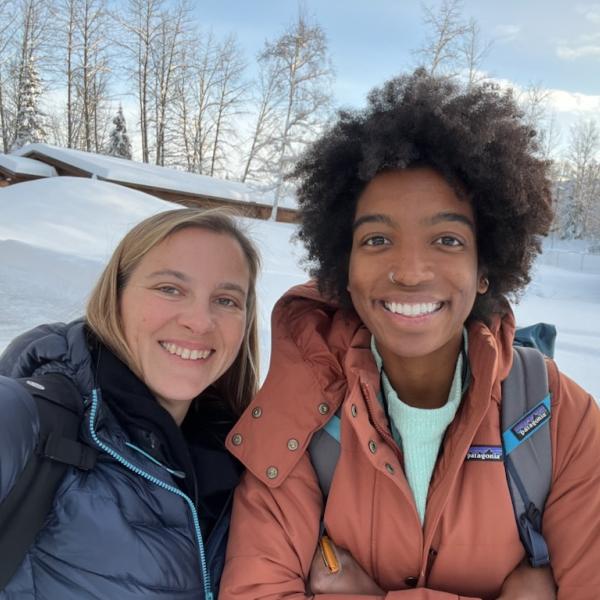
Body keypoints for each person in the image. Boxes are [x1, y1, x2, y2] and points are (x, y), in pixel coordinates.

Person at [219, 70, 600, 599]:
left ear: (484, 267)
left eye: (446, 239)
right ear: (344, 269)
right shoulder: (297, 411)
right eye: (377, 239)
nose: (411, 271)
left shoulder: (558, 417)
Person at [0, 207, 260, 600]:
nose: (201, 321)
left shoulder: (249, 463)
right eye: (170, 288)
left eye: (226, 300)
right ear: (116, 295)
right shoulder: (28, 422)